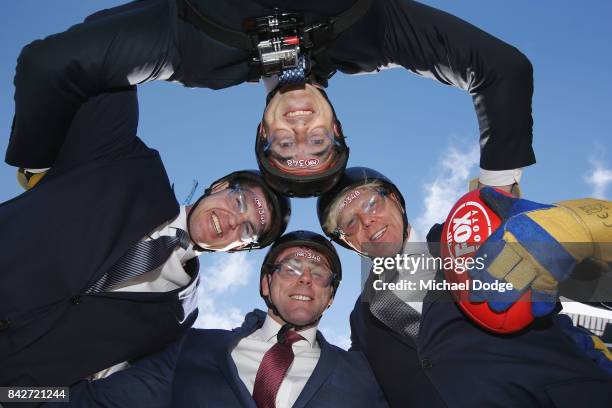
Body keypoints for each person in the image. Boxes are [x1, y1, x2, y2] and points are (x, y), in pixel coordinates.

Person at [8, 0, 534, 196]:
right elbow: (502, 69)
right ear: (339, 128)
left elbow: (47, 66)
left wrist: (39, 172)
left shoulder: (195, 54)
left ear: (263, 132)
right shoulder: (376, 33)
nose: (300, 125)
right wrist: (499, 185)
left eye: (285, 144)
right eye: (319, 141)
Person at [0, 87, 291, 388]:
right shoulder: (126, 163)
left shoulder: (179, 321)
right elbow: (105, 65)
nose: (233, 220)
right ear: (220, 186)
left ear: (238, 248)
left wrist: (22, 399)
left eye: (247, 230)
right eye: (239, 202)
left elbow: (106, 392)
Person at [317, 167, 612, 407]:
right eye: (349, 223)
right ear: (348, 242)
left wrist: (575, 225)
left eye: (371, 203)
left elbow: (597, 264)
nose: (366, 221)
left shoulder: (470, 230)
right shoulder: (361, 318)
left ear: (394, 198)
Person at [52, 231, 389, 407]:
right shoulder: (192, 349)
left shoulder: (364, 373)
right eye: (290, 268)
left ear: (330, 296)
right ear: (265, 284)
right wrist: (14, 393)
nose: (304, 279)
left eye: (319, 273)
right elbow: (97, 401)